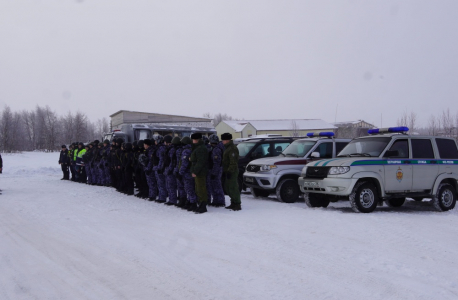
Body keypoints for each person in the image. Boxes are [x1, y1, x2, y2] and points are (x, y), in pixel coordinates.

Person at [221, 133, 241, 211]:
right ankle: (233, 202)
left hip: (232, 171)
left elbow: (233, 162)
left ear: (227, 140)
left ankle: (237, 203)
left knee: (233, 187)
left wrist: (230, 171)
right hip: (228, 170)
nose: (222, 141)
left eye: (223, 140)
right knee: (228, 187)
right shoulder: (228, 148)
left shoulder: (232, 149)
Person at [190, 133, 209, 214]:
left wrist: (195, 171)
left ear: (196, 140)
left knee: (201, 189)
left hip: (200, 172)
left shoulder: (200, 148)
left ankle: (203, 205)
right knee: (198, 188)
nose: (192, 141)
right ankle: (201, 204)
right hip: (199, 171)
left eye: (193, 139)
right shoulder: (198, 147)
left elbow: (200, 162)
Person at [179, 136, 197, 211]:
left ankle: (193, 203)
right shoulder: (192, 149)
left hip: (187, 173)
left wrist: (180, 172)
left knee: (189, 189)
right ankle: (190, 202)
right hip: (191, 172)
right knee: (190, 188)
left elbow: (184, 163)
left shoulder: (186, 151)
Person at [208, 134, 226, 207]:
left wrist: (214, 173)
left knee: (217, 186)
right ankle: (216, 200)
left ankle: (220, 201)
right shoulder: (215, 148)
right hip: (214, 170)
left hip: (216, 170)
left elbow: (217, 163)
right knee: (214, 186)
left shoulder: (216, 150)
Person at [164, 135, 178, 206]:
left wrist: (169, 169)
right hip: (168, 168)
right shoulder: (169, 148)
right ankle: (171, 199)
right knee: (168, 185)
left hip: (170, 169)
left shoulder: (171, 149)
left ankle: (173, 200)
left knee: (171, 185)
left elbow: (172, 161)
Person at [153, 135, 168, 203]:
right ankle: (161, 196)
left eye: (156, 140)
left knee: (161, 183)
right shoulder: (159, 148)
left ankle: (162, 197)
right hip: (158, 167)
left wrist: (159, 168)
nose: (155, 142)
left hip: (160, 168)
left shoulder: (161, 148)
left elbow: (161, 159)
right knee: (159, 183)